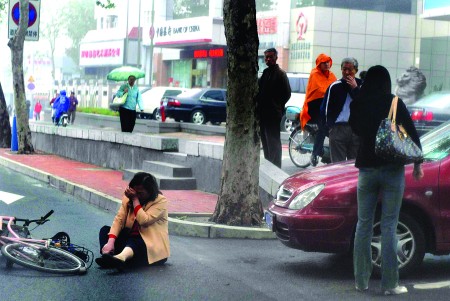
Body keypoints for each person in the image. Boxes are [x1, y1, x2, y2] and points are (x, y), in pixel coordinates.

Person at [349, 65, 424, 295]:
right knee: (390, 225)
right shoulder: (394, 103)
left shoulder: (359, 102)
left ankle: (361, 281)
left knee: (363, 225)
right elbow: (410, 133)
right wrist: (418, 163)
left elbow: (355, 129)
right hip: (392, 170)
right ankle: (390, 284)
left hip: (367, 171)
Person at [95, 172, 170, 271]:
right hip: (130, 242)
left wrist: (135, 199)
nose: (137, 195)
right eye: (135, 192)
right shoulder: (128, 197)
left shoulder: (160, 201)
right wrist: (110, 242)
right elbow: (119, 219)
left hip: (149, 248)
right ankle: (108, 256)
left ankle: (120, 259)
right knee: (105, 231)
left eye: (140, 193)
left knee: (136, 239)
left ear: (150, 191)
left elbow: (144, 221)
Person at [321, 57, 362, 163]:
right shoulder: (335, 86)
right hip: (338, 128)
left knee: (354, 166)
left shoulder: (361, 86)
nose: (347, 72)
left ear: (356, 71)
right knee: (338, 166)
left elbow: (364, 105)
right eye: (344, 69)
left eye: (350, 69)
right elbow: (325, 110)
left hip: (356, 130)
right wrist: (330, 128)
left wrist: (355, 88)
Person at [300, 53, 337, 166]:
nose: (327, 64)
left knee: (332, 130)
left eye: (328, 62)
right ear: (319, 64)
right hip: (314, 107)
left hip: (327, 107)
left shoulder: (331, 75)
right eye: (324, 63)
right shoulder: (314, 73)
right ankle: (315, 154)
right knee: (322, 128)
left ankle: (328, 154)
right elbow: (319, 90)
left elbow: (335, 88)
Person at [257, 48, 291, 168]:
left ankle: (275, 167)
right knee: (265, 142)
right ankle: (268, 166)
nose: (268, 59)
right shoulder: (265, 73)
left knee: (273, 142)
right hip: (262, 114)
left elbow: (287, 94)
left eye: (271, 57)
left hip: (273, 114)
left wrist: (277, 105)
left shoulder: (281, 74)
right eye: (266, 57)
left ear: (276, 57)